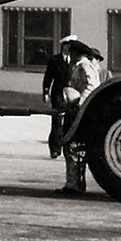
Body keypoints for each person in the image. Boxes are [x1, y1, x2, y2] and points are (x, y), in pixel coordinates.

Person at [58, 40, 106, 195]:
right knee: (73, 148)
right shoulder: (83, 66)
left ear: (76, 53)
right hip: (79, 109)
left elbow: (90, 87)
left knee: (73, 147)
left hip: (79, 111)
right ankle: (75, 182)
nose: (69, 55)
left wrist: (79, 106)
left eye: (71, 52)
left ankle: (74, 185)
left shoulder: (84, 66)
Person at [41, 34, 77, 159]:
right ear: (64, 46)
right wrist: (46, 92)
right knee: (56, 121)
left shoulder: (75, 61)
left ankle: (67, 148)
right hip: (58, 94)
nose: (70, 48)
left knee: (69, 121)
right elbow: (48, 77)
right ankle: (55, 149)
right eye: (68, 46)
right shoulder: (55, 60)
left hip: (72, 95)